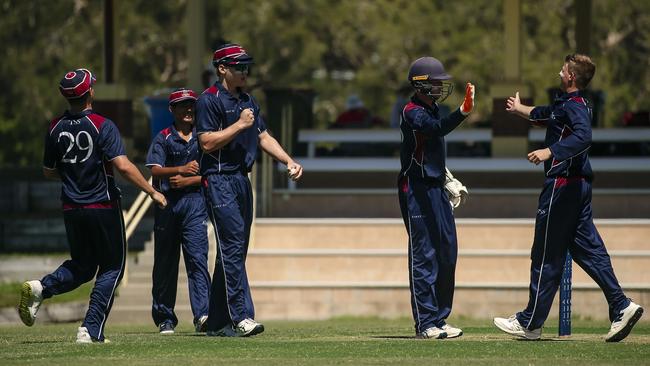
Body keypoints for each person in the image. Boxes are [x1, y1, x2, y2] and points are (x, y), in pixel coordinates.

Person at [493, 54, 644, 342]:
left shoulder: (575, 106)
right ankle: (622, 305)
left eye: (563, 69)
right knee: (589, 250)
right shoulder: (572, 103)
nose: (558, 71)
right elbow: (547, 114)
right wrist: (520, 108)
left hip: (562, 187)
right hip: (578, 188)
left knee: (546, 252)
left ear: (571, 77)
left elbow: (583, 137)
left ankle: (530, 323)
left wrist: (550, 152)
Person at [18, 68, 167, 343]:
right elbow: (122, 165)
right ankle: (90, 329)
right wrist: (151, 191)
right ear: (90, 93)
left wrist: (74, 172)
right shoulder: (102, 125)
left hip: (72, 208)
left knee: (84, 266)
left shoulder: (54, 127)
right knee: (113, 267)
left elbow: (49, 171)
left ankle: (41, 287)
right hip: (102, 205)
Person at [196, 43, 303, 337]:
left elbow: (263, 135)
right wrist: (239, 125)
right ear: (221, 69)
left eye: (246, 67)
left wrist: (287, 160)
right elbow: (205, 142)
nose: (244, 72)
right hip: (218, 179)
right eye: (238, 67)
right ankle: (241, 317)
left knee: (236, 250)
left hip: (241, 179)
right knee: (231, 246)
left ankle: (216, 320)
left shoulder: (247, 100)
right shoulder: (208, 100)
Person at [398, 57, 475, 339]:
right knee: (424, 255)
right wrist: (463, 111)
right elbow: (436, 129)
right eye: (436, 81)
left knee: (447, 251)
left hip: (436, 188)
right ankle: (426, 323)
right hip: (415, 189)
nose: (442, 85)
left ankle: (440, 319)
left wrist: (446, 176)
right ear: (421, 85)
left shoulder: (433, 109)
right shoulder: (411, 111)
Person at [145, 88, 211, 335]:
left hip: (195, 204)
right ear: (171, 110)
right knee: (165, 263)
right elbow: (154, 169)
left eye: (191, 105)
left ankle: (203, 314)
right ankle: (165, 318)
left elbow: (211, 175)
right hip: (167, 206)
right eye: (182, 106)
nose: (188, 110)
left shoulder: (204, 138)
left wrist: (188, 181)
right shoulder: (163, 138)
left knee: (197, 260)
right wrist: (180, 170)